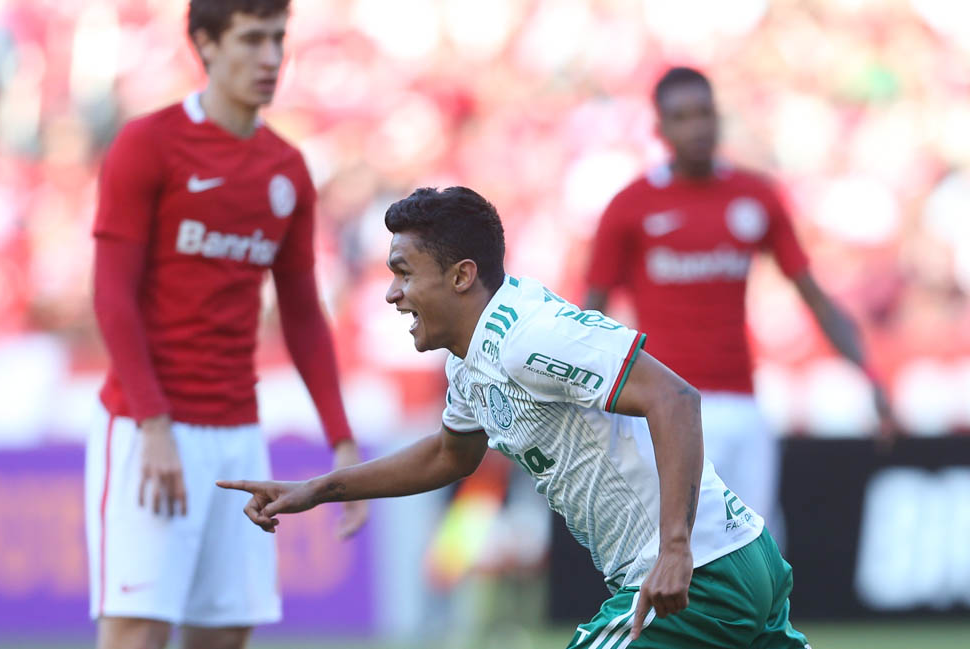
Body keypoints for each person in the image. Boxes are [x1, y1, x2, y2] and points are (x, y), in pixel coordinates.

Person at [219, 186, 812, 648]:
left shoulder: (527, 337)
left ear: (461, 275)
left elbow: (675, 399)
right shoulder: (469, 360)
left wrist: (675, 548)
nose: (392, 293)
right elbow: (449, 455)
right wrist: (319, 489)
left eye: (404, 272)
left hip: (698, 570)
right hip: (739, 556)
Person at [85, 2, 367, 648]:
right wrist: (154, 425)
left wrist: (342, 440)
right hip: (147, 428)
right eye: (252, 40)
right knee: (137, 633)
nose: (270, 58)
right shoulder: (148, 144)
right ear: (206, 44)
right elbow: (112, 296)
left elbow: (302, 313)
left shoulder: (287, 169)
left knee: (225, 635)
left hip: (238, 432)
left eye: (278, 39)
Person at [585, 67, 894, 545]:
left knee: (759, 553)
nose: (697, 127)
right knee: (672, 552)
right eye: (682, 117)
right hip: (664, 406)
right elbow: (592, 315)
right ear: (660, 129)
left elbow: (814, 297)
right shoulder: (631, 206)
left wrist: (867, 373)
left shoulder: (755, 197)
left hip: (743, 403)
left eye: (704, 113)